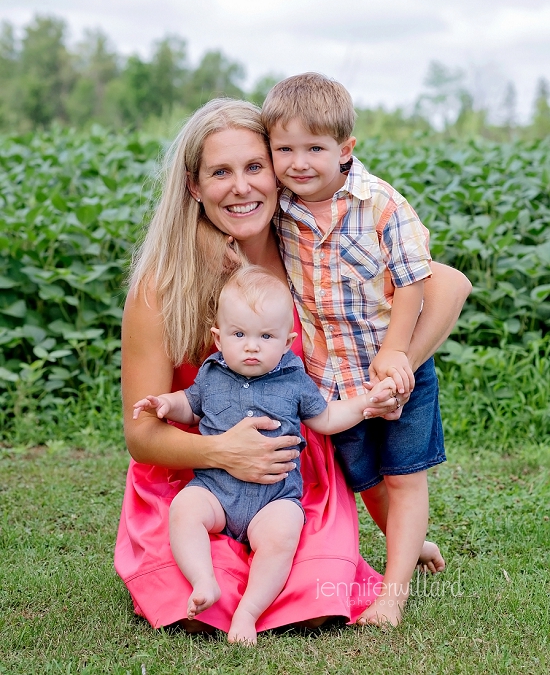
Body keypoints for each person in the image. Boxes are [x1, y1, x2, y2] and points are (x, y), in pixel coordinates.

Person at [115, 96, 471, 635]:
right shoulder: (164, 285)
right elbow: (141, 436)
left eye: (255, 166)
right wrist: (220, 449)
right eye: (220, 172)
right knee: (204, 605)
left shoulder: (309, 247)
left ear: (279, 172)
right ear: (193, 185)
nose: (242, 186)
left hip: (292, 481)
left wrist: (396, 365)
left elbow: (448, 284)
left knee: (310, 599)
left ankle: (395, 539)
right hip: (193, 476)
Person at [263, 72, 450, 626]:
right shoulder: (281, 209)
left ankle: (392, 597)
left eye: (314, 148)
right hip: (330, 380)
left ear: (345, 150)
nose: (298, 162)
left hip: (391, 374)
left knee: (404, 476)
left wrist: (397, 354)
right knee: (365, 479)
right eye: (284, 149)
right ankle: (409, 546)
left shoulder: (381, 204)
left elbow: (416, 279)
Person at [133, 266, 398, 644]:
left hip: (274, 498)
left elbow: (324, 417)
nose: (252, 346)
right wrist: (164, 403)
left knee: (282, 533)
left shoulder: (293, 379)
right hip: (215, 492)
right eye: (239, 334)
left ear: (287, 340)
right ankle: (202, 579)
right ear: (218, 337)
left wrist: (363, 405)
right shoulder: (211, 374)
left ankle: (249, 611)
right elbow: (189, 406)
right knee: (185, 509)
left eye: (266, 336)